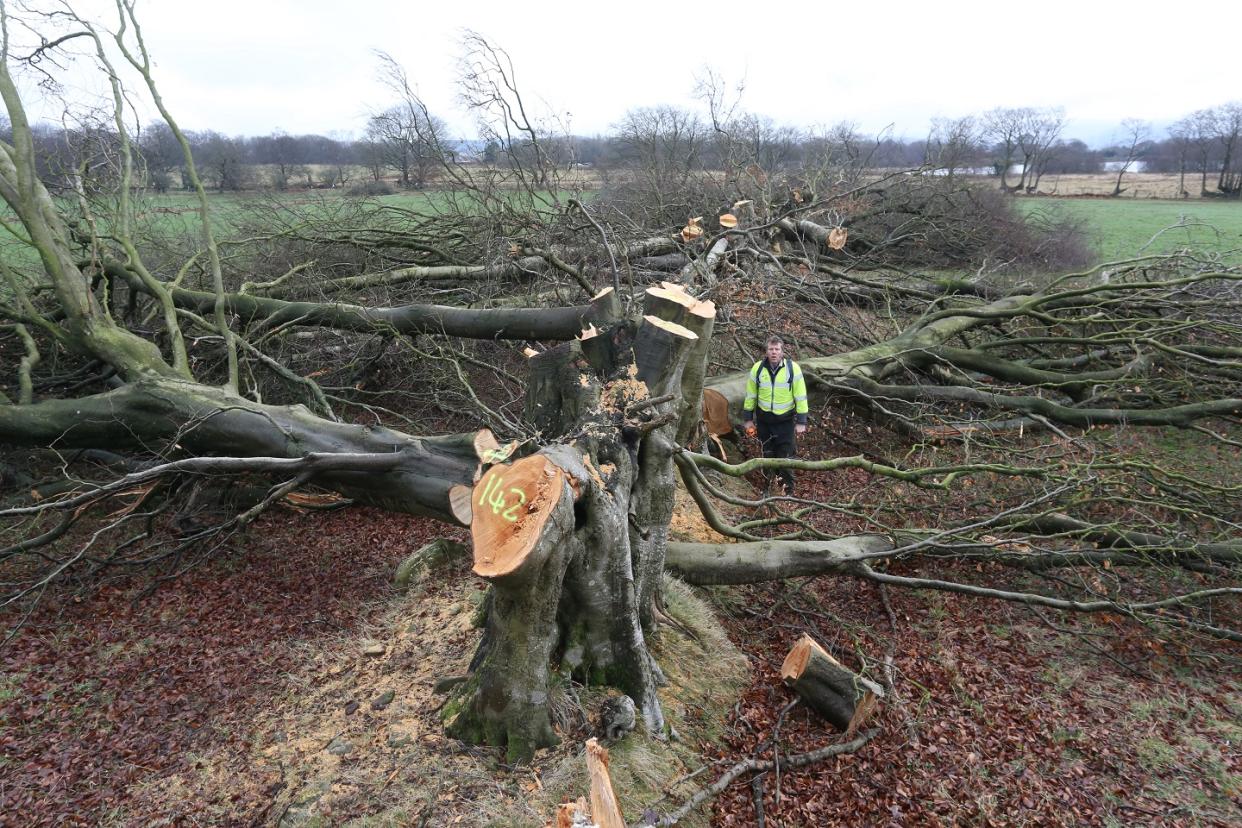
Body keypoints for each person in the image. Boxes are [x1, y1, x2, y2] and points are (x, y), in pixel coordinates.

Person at [742, 336, 809, 496]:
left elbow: (801, 396)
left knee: (785, 456)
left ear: (782, 351)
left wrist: (801, 421)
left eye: (777, 349)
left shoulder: (793, 369)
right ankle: (768, 489)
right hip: (764, 421)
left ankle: (788, 492)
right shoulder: (757, 369)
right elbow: (750, 395)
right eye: (771, 349)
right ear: (766, 351)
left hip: (785, 421)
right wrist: (748, 419)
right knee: (767, 455)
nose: (774, 352)